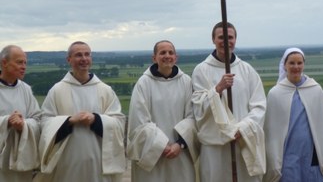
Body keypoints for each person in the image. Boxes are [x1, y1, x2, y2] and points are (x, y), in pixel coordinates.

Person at [34, 41, 126, 182]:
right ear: (69, 59)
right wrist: (69, 121)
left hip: (98, 161)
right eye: (78, 55)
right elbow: (45, 123)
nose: (84, 59)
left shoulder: (105, 90)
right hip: (67, 161)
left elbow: (119, 122)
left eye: (87, 54)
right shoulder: (57, 90)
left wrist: (96, 120)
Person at [191, 21, 266, 182]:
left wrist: (243, 128)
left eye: (230, 37)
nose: (226, 41)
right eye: (221, 37)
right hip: (215, 147)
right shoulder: (201, 70)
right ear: (213, 40)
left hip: (242, 141)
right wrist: (217, 89)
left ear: (235, 40)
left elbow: (259, 106)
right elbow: (198, 107)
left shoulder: (247, 70)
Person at [126, 40, 198, 182]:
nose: (167, 56)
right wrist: (161, 145)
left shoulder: (186, 81)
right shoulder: (144, 83)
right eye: (162, 52)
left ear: (175, 57)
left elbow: (192, 116)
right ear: (154, 58)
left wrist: (179, 144)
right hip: (151, 152)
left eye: (170, 53)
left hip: (180, 153)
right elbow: (139, 120)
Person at [263, 48, 323, 182]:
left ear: (304, 65)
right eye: (292, 63)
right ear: (284, 65)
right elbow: (271, 131)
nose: (296, 67)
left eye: (299, 63)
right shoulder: (275, 93)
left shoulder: (315, 90)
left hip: (312, 153)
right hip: (287, 155)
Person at [0, 45, 41, 181]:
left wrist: (23, 125)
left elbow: (37, 119)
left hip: (21, 158)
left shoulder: (26, 89)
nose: (23, 66)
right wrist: (7, 121)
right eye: (19, 62)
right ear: (4, 63)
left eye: (25, 63)